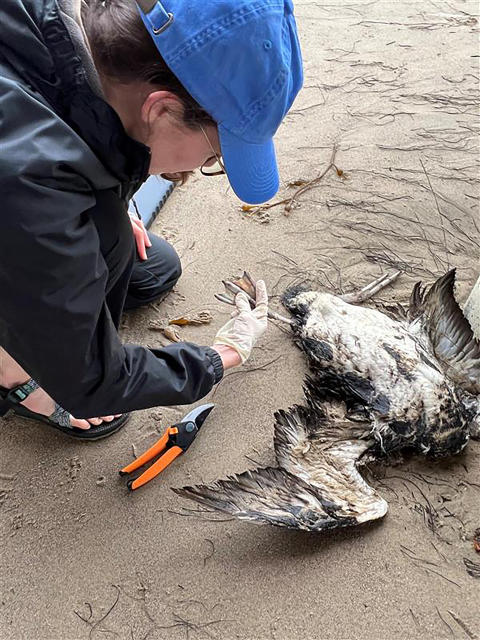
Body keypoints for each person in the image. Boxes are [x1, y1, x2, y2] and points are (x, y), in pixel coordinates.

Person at [0, 0, 303, 438]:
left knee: (141, 260)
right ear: (160, 109)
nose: (204, 167)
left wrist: (117, 206)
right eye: (215, 156)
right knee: (71, 370)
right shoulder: (31, 186)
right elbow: (95, 384)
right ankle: (12, 375)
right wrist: (222, 355)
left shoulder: (71, 31)